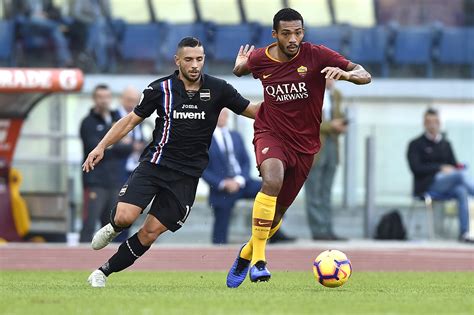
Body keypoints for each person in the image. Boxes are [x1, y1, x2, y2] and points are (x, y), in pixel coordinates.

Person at [83, 37, 261, 288]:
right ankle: (113, 226)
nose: (195, 65)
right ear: (177, 61)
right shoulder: (160, 89)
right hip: (155, 165)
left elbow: (253, 111)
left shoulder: (219, 89)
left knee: (149, 233)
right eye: (189, 59)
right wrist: (101, 146)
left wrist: (286, 96)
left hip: (186, 178)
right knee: (125, 217)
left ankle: (102, 272)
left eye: (199, 59)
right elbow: (130, 121)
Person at [227, 8, 371, 288]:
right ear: (275, 35)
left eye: (298, 32)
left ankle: (246, 253)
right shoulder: (260, 58)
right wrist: (239, 64)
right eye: (286, 33)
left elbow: (365, 74)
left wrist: (348, 75)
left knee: (276, 215)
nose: (293, 38)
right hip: (270, 132)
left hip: (305, 146)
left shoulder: (317, 55)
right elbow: (241, 70)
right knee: (272, 179)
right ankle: (259, 261)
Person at [203, 108, 295, 244]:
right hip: (222, 188)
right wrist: (223, 183)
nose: (222, 118)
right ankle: (219, 247)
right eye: (219, 115)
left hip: (242, 183)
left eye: (225, 115)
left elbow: (246, 162)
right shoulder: (205, 139)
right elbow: (203, 169)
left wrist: (239, 180)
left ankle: (273, 231)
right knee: (220, 228)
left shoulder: (235, 136)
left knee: (272, 191)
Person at [407, 108, 474, 243]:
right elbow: (416, 168)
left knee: (461, 190)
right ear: (424, 123)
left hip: (447, 184)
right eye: (429, 121)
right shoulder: (415, 144)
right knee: (460, 176)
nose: (433, 124)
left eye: (435, 121)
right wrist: (439, 168)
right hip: (427, 185)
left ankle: (464, 233)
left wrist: (456, 167)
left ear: (439, 123)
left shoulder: (445, 144)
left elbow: (453, 165)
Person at [79, 84, 133, 243]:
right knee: (89, 223)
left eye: (107, 97)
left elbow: (128, 147)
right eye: (100, 97)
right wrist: (114, 144)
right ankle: (77, 259)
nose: (104, 101)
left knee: (111, 227)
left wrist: (110, 146)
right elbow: (93, 147)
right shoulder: (88, 122)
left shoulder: (117, 119)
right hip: (95, 182)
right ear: (94, 99)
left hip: (116, 180)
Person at [304, 79, 347, 240]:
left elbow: (338, 116)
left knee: (326, 191)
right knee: (314, 190)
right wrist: (331, 126)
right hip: (314, 148)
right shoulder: (308, 92)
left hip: (332, 145)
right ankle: (318, 229)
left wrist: (342, 124)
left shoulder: (336, 95)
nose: (332, 80)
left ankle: (328, 228)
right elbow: (308, 121)